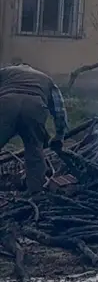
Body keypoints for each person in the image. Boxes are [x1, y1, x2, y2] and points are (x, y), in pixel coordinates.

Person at [0, 63, 69, 193]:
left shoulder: (5, 72)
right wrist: (60, 135)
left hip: (6, 104)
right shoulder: (46, 79)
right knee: (34, 152)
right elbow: (59, 108)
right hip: (35, 107)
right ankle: (36, 194)